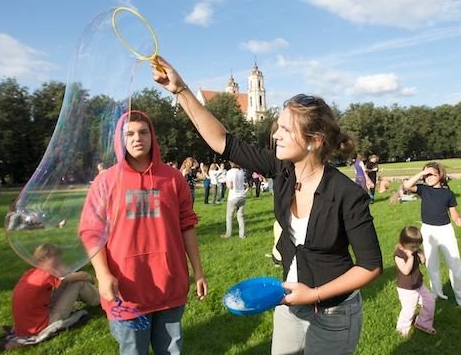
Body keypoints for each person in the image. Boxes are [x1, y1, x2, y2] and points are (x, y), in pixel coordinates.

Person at [153, 56, 383, 355]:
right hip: (288, 302)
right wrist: (180, 90)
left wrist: (313, 294)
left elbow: (370, 266)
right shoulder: (282, 170)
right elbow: (225, 142)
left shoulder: (346, 193)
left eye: (285, 130)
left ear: (313, 140)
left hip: (333, 314)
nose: (275, 135)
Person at [79, 110, 207, 355]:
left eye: (143, 132)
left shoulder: (173, 179)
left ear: (152, 136)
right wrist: (103, 275)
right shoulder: (105, 181)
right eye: (129, 134)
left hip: (170, 285)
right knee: (133, 351)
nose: (137, 138)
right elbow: (91, 232)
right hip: (126, 291)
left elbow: (187, 226)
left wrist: (198, 272)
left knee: (171, 351)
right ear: (120, 140)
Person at [403, 162, 461, 307]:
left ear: (440, 175)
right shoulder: (423, 189)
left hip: (445, 231)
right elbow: (407, 186)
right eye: (425, 175)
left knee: (455, 266)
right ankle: (436, 293)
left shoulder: (448, 194)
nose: (427, 177)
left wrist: (458, 221)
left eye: (431, 174)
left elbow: (454, 214)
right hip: (428, 231)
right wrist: (422, 174)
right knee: (431, 265)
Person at [4, 243, 100, 350]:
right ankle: (102, 300)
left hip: (26, 327)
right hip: (42, 325)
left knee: (68, 283)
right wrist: (89, 277)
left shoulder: (31, 273)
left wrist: (61, 269)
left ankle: (97, 297)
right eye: (57, 258)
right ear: (46, 257)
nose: (59, 261)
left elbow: (65, 277)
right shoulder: (48, 274)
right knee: (78, 283)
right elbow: (83, 276)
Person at [394, 226, 436, 337]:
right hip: (406, 288)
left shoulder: (415, 251)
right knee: (409, 309)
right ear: (403, 243)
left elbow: (423, 261)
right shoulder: (399, 255)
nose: (415, 248)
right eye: (413, 246)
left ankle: (423, 323)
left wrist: (421, 254)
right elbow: (406, 271)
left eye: (418, 246)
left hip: (418, 284)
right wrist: (410, 257)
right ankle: (402, 329)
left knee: (430, 302)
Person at [222, 162, 247, 239]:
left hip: (233, 196)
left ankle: (228, 234)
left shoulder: (230, 172)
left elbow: (230, 186)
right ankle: (242, 235)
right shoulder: (241, 171)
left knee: (229, 216)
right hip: (242, 195)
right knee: (240, 216)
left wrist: (225, 179)